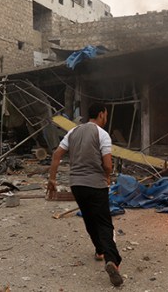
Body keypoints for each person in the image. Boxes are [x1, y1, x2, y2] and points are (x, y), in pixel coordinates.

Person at [47, 103, 123, 287]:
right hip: (96, 185)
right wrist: (107, 177)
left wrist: (52, 179)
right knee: (104, 222)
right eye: (105, 114)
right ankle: (111, 260)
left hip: (77, 185)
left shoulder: (73, 132)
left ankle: (99, 251)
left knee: (89, 219)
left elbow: (57, 155)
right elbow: (107, 165)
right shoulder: (102, 134)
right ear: (101, 115)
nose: (106, 117)